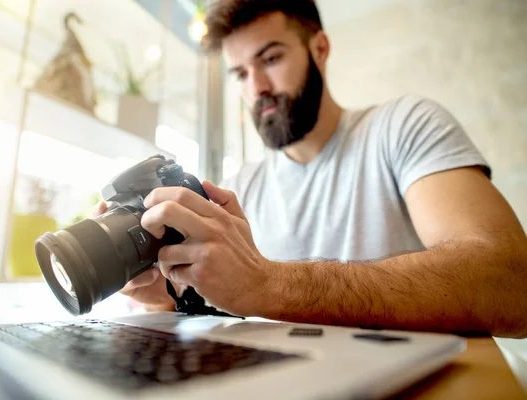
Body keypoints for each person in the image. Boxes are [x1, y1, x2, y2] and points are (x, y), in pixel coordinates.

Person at [96, 0, 527, 338]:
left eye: (270, 59)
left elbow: (510, 282)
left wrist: (269, 284)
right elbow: (221, 302)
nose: (257, 88)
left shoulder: (403, 126)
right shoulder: (240, 186)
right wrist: (166, 293)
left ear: (319, 49)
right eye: (241, 74)